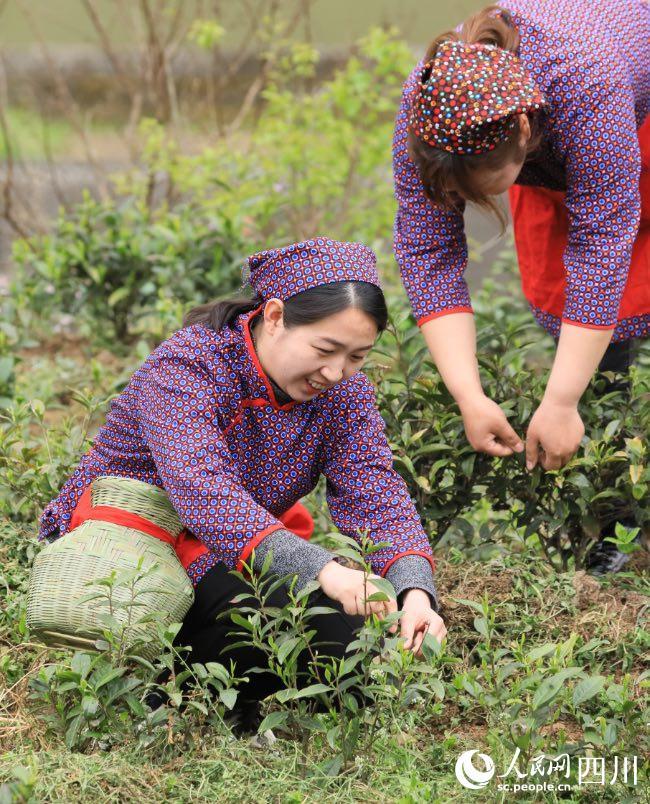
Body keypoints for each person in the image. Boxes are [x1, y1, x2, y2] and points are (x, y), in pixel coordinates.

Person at [39, 237, 447, 718]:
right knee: (259, 619)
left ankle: (211, 691)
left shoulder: (345, 394)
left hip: (242, 550)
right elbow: (204, 495)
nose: (337, 372)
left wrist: (414, 591)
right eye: (326, 348)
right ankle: (171, 697)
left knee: (350, 646)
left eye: (357, 356)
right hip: (139, 541)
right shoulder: (189, 365)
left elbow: (375, 492)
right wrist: (326, 572)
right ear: (274, 316)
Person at [392, 0, 649, 573]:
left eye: (487, 189)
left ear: (526, 133)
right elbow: (426, 250)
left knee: (620, 303)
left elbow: (602, 244)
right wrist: (469, 395)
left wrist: (560, 401)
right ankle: (619, 523)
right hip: (551, 148)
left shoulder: (587, 82)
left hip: (632, 110)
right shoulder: (429, 99)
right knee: (576, 333)